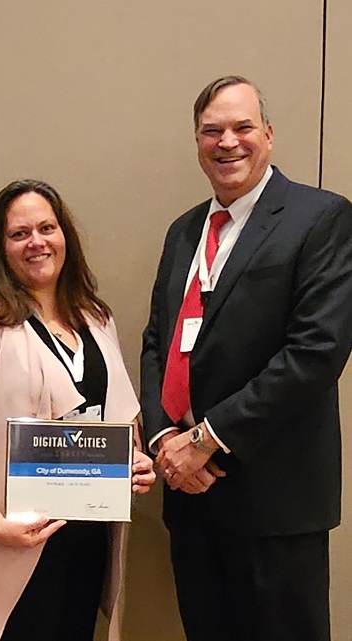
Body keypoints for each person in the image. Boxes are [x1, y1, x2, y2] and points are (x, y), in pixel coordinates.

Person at [140, 75, 352, 641]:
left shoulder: (320, 219)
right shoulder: (184, 231)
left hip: (274, 501)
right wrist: (165, 443)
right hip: (191, 499)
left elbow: (315, 353)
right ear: (197, 141)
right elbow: (158, 341)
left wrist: (204, 440)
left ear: (269, 134)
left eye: (242, 127)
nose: (227, 141)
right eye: (212, 130)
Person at [0, 179, 155, 641]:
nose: (37, 242)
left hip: (81, 544)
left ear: (66, 237)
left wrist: (133, 466)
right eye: (20, 233)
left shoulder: (96, 319)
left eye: (47, 228)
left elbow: (117, 423)